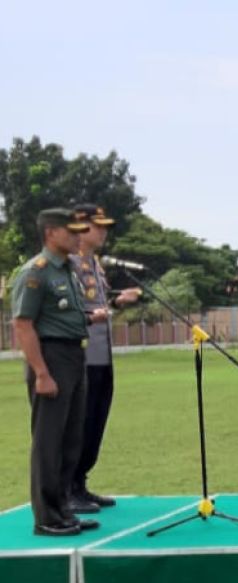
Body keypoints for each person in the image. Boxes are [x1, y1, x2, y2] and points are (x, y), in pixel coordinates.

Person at [10, 209, 100, 536]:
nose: (79, 237)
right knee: (49, 441)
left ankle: (64, 509)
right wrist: (41, 372)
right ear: (51, 232)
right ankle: (47, 517)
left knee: (70, 438)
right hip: (51, 357)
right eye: (71, 231)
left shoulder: (68, 271)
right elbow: (22, 325)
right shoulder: (36, 273)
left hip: (74, 356)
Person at [69, 204, 141, 512]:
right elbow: (69, 308)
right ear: (80, 226)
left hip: (103, 355)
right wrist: (92, 315)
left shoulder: (95, 263)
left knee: (96, 422)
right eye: (98, 226)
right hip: (82, 357)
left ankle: (80, 483)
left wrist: (119, 301)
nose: (103, 231)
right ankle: (67, 487)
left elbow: (100, 302)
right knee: (80, 422)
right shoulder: (69, 263)